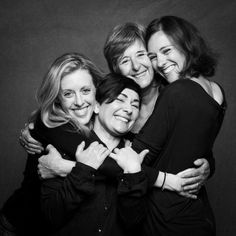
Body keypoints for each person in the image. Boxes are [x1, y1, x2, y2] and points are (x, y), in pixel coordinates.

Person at [20, 22, 212, 197]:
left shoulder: (173, 98)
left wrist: (209, 166)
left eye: (141, 54)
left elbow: (197, 145)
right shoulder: (107, 106)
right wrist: (33, 129)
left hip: (156, 213)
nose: (136, 66)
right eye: (124, 60)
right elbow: (59, 114)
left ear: (152, 56)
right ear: (115, 69)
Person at [125, 15, 226, 235]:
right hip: (198, 215)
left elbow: (132, 160)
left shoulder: (176, 91)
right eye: (153, 56)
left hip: (164, 219)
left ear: (187, 45)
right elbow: (196, 151)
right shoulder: (217, 92)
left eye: (166, 50)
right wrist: (208, 166)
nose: (160, 62)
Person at [0, 52, 104, 236]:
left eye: (85, 90)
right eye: (68, 94)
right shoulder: (54, 126)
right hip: (22, 225)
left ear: (97, 90)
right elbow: (111, 167)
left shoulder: (102, 122)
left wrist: (62, 167)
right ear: (57, 98)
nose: (79, 102)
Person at [38, 73, 149, 235]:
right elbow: (50, 217)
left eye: (135, 104)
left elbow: (134, 223)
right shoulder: (63, 148)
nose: (128, 109)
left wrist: (133, 173)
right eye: (120, 99)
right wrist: (81, 170)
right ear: (97, 106)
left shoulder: (137, 154)